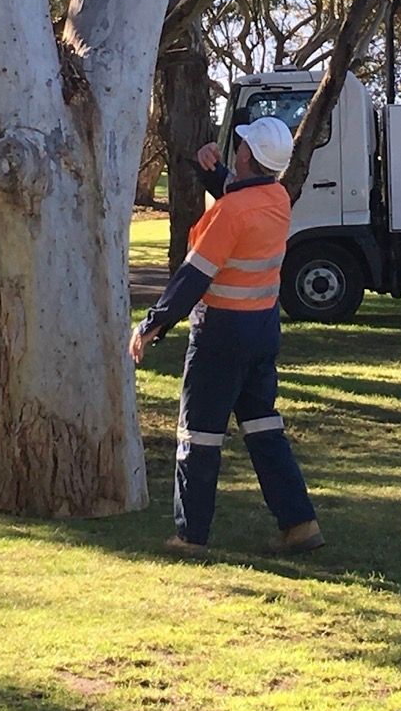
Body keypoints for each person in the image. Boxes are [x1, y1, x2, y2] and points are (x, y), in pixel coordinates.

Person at [129, 115, 323, 557]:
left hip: (219, 334)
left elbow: (192, 278)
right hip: (261, 331)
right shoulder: (277, 197)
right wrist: (213, 174)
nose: (235, 149)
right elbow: (242, 204)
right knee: (263, 427)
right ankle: (299, 523)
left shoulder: (231, 212)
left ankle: (190, 535)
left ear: (248, 155)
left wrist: (152, 324)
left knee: (198, 435)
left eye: (240, 146)